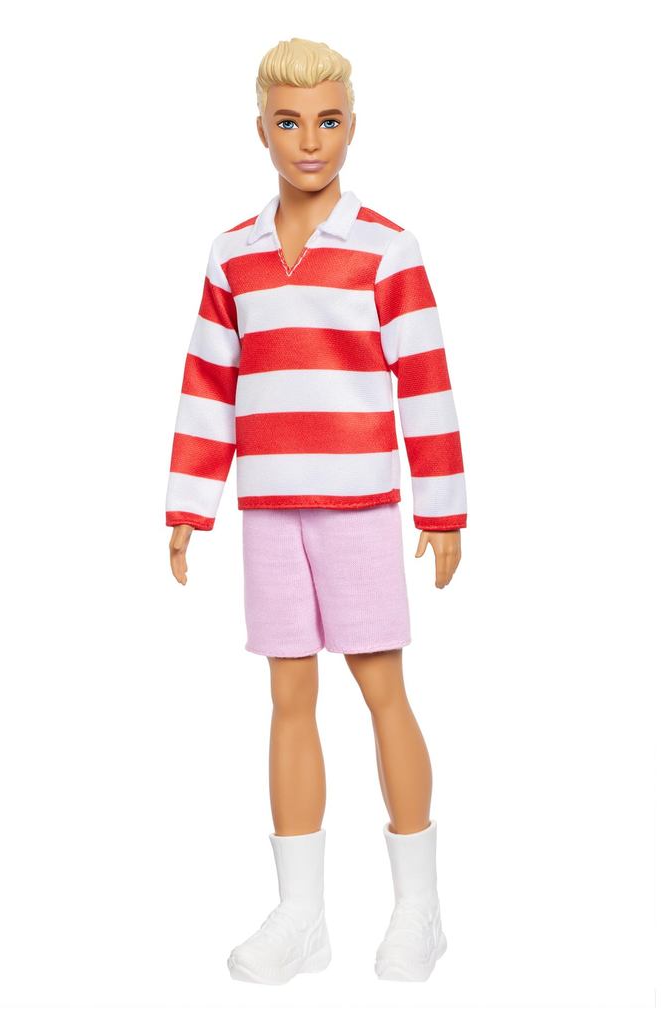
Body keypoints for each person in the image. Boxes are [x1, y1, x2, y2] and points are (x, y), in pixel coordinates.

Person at [165, 37, 466, 983]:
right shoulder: (234, 255)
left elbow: (424, 379)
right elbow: (210, 382)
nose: (309, 141)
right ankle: (301, 915)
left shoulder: (385, 247)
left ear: (352, 127)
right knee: (287, 696)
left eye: (328, 121)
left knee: (382, 690)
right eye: (289, 122)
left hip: (360, 506)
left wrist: (442, 508)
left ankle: (418, 907)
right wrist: (189, 502)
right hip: (269, 510)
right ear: (260, 129)